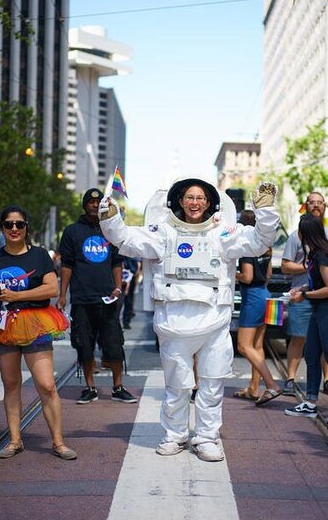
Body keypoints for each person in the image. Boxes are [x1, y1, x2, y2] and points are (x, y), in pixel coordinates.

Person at [99, 179, 279, 462]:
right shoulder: (163, 232)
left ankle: (207, 437)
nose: (195, 203)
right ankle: (175, 435)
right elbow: (126, 240)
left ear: (209, 203)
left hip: (214, 324)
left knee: (211, 385)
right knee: (177, 387)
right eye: (189, 198)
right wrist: (109, 217)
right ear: (179, 201)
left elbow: (259, 241)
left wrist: (266, 211)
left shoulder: (223, 231)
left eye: (200, 198)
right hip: (173, 324)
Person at [0, 205, 76, 460]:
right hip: (3, 326)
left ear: (26, 227)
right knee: (11, 384)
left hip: (36, 323)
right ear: (2, 228)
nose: (13, 229)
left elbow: (51, 289)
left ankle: (58, 442)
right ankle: (15, 440)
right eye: (8, 224)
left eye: (19, 224)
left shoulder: (40, 255)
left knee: (46, 385)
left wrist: (17, 295)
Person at [57, 188, 137, 405]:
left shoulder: (110, 230)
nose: (94, 205)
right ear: (84, 205)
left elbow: (117, 262)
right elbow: (67, 264)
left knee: (113, 345)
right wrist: (62, 295)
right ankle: (89, 388)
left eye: (98, 202)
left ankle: (118, 387)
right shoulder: (72, 231)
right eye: (90, 202)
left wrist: (118, 287)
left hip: (107, 299)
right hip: (82, 299)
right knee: (84, 345)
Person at [281, 192, 328, 397]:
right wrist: (305, 279)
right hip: (307, 298)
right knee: (306, 345)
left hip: (325, 301)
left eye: (319, 203)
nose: (315, 206)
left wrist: (306, 293)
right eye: (311, 203)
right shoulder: (300, 239)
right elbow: (286, 266)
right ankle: (299, 387)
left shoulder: (327, 245)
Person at [234, 209, 281, 405]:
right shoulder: (265, 245)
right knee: (258, 345)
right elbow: (268, 274)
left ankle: (271, 385)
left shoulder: (245, 246)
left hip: (252, 296)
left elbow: (247, 276)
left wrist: (232, 273)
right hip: (265, 294)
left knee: (243, 346)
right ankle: (254, 388)